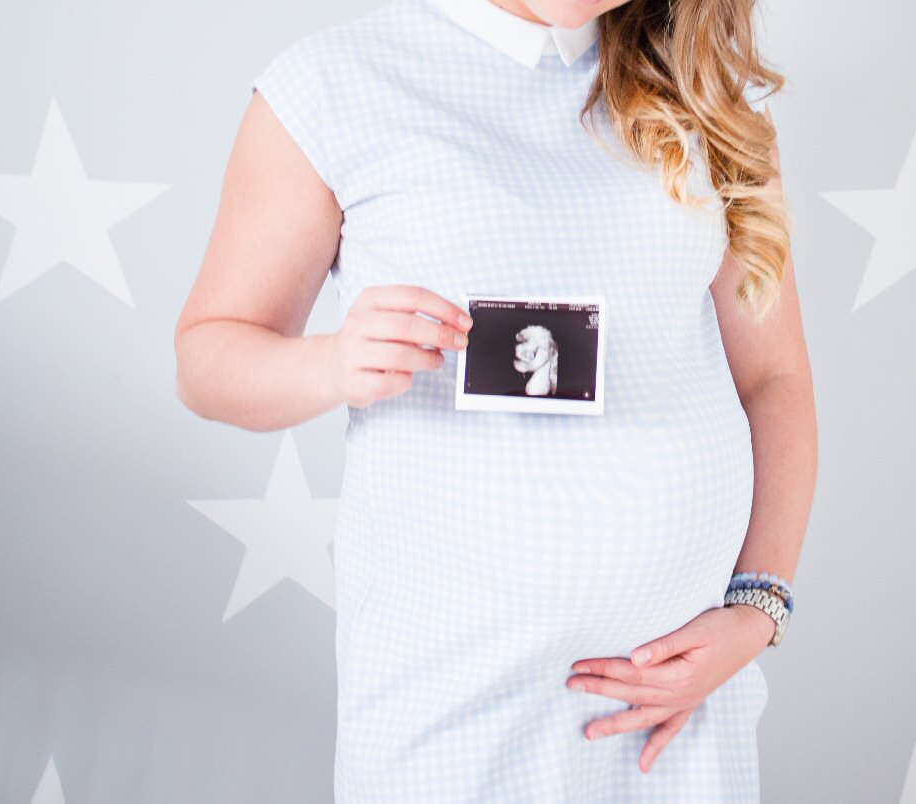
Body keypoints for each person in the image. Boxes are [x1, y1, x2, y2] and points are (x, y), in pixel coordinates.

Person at [174, 0, 817, 800]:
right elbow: (207, 357)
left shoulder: (703, 90)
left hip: (673, 707)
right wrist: (332, 363)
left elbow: (775, 379)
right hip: (451, 705)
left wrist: (759, 607)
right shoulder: (336, 86)